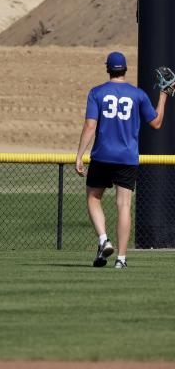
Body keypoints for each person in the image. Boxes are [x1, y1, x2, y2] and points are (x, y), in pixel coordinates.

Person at [74, 51, 167, 269]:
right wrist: (163, 96)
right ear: (125, 69)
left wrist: (79, 155)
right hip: (127, 157)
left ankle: (104, 239)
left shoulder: (97, 92)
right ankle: (121, 259)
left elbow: (90, 125)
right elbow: (156, 123)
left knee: (93, 198)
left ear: (108, 68)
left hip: (102, 156)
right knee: (123, 205)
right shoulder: (138, 95)